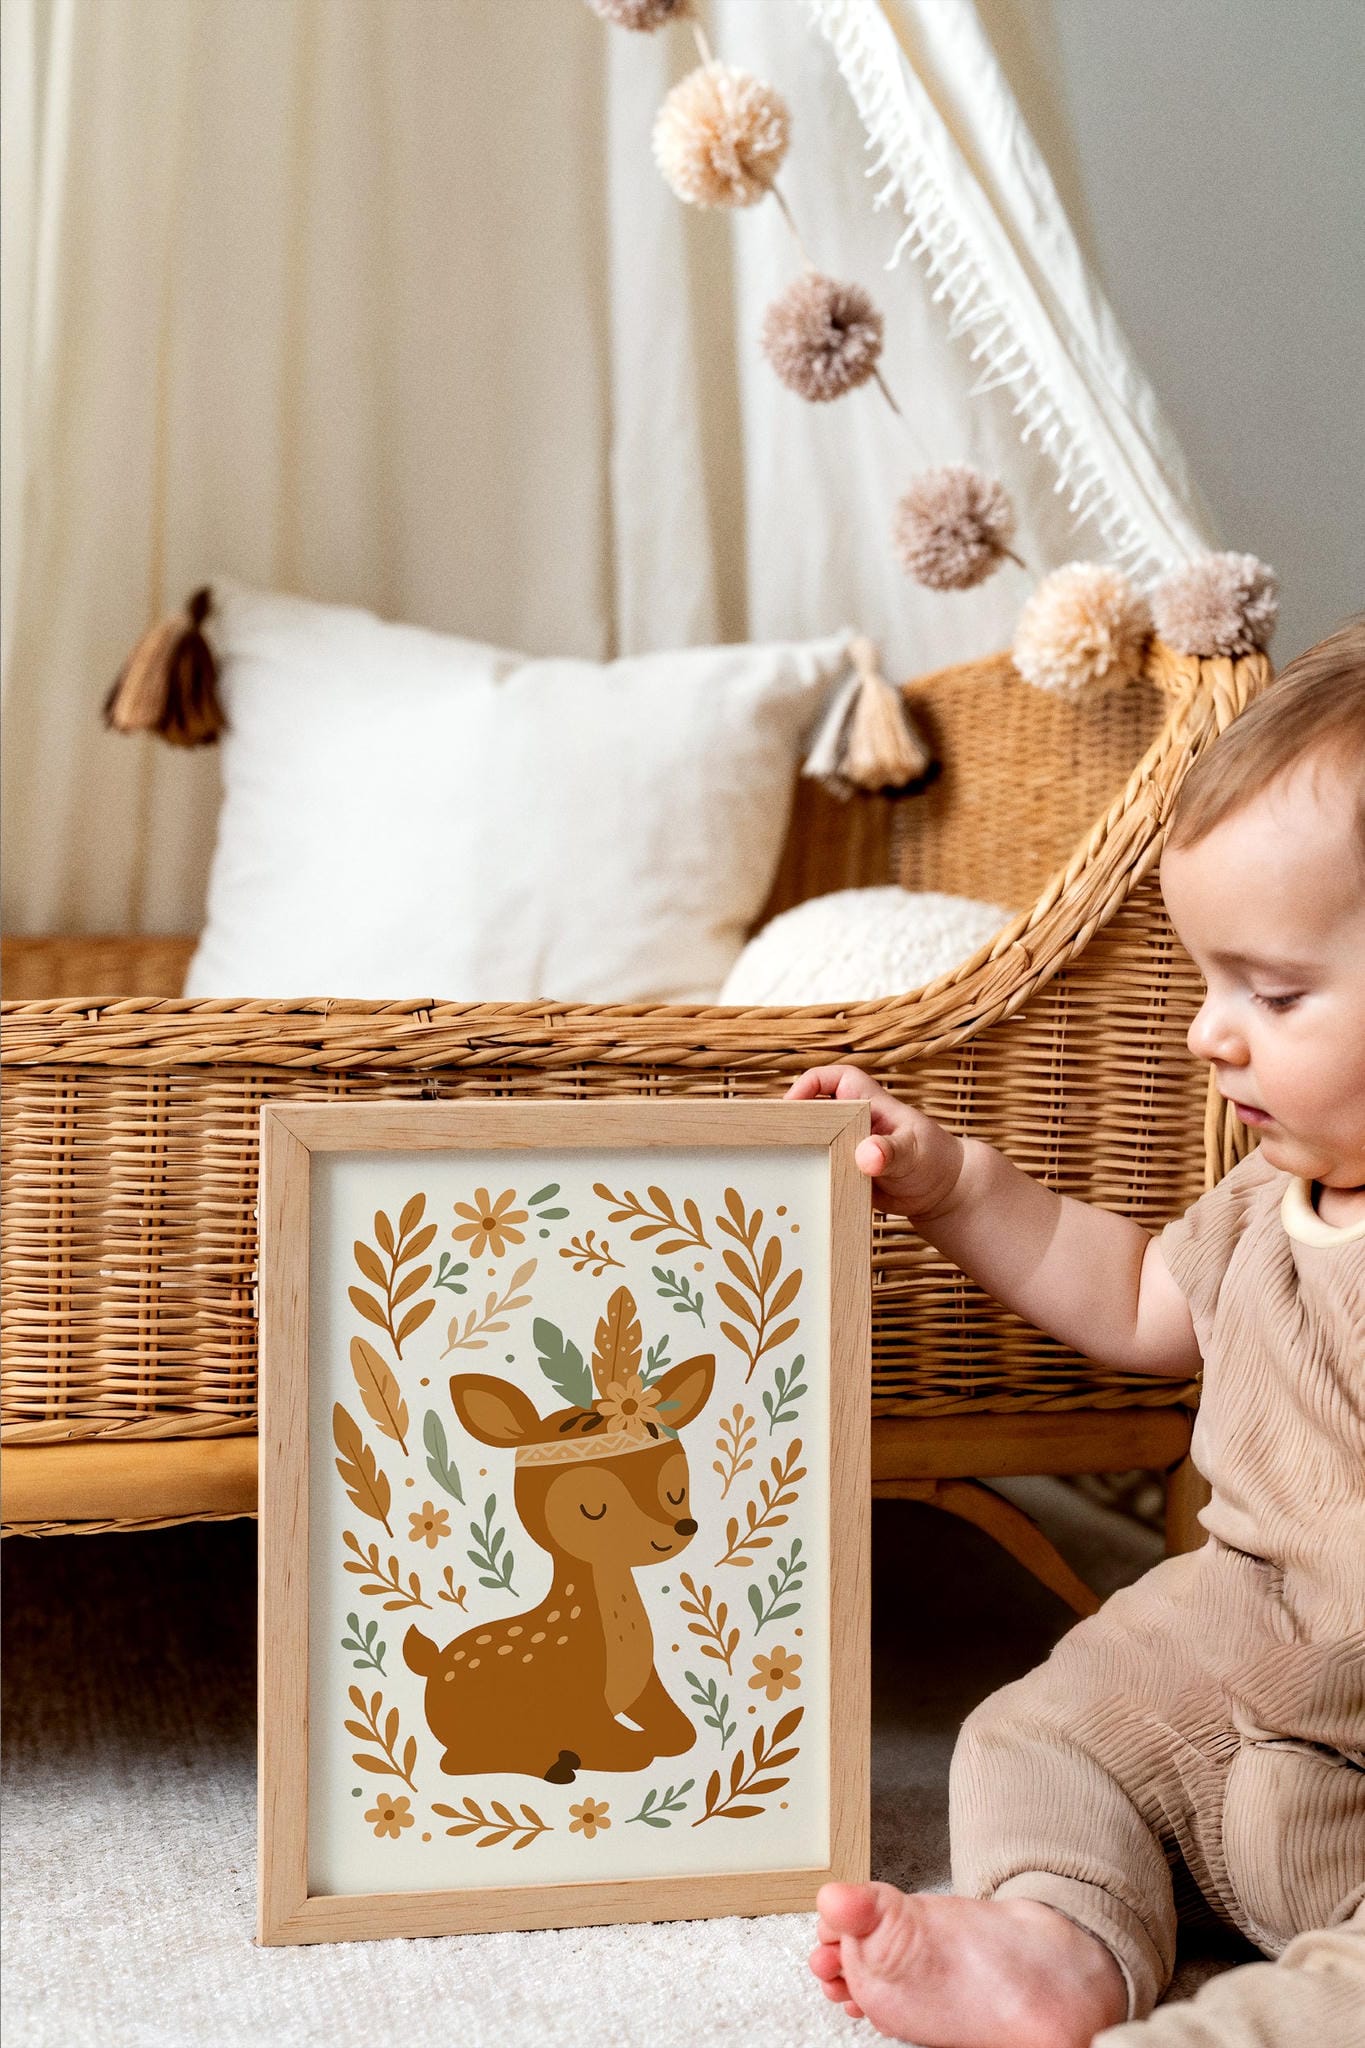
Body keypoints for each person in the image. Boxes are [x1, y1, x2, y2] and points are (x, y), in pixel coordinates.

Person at [789, 621, 1365, 2046]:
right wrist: (952, 1185)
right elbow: (1130, 1298)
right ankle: (1057, 1936)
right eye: (1207, 982)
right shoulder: (1267, 1194)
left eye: (1272, 994)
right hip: (1233, 1653)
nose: (1208, 1033)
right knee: (1036, 1731)